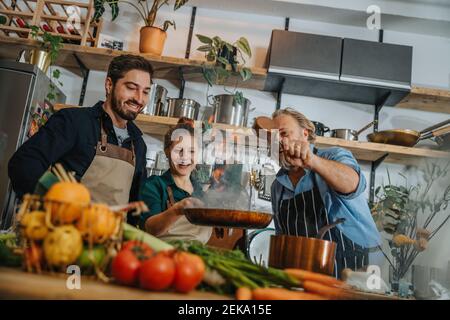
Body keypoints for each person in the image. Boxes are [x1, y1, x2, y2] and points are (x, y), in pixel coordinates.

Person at [8, 55, 150, 213]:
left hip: (111, 234)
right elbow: (24, 164)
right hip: (66, 232)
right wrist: (56, 205)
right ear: (109, 85)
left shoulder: (138, 145)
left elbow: (135, 204)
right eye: (131, 88)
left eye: (145, 92)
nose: (139, 98)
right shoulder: (73, 122)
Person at [270, 108, 381, 279]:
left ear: (305, 134)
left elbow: (353, 183)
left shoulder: (334, 156)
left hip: (356, 268)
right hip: (307, 273)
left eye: (284, 133)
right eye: (272, 138)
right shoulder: (278, 186)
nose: (278, 141)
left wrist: (311, 161)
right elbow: (283, 238)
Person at [139, 118, 212, 243]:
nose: (185, 157)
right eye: (178, 150)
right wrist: (177, 209)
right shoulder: (154, 186)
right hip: (161, 258)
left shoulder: (201, 192)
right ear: (167, 152)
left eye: (192, 151)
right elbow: (150, 229)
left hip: (194, 258)